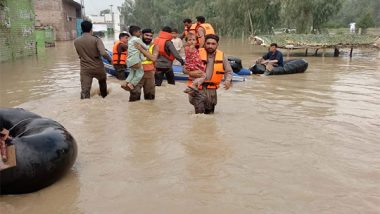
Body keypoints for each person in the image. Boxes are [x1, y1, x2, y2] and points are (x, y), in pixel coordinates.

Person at [184, 34, 232, 114]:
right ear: (204, 43)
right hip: (197, 88)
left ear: (217, 45)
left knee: (210, 114)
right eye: (208, 43)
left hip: (212, 90)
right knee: (200, 114)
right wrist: (192, 73)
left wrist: (228, 80)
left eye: (213, 44)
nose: (210, 46)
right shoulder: (196, 52)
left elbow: (228, 71)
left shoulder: (222, 56)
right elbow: (184, 69)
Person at [74, 20, 112, 99]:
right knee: (102, 83)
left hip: (85, 68)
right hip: (98, 67)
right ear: (91, 29)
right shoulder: (96, 39)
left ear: (82, 29)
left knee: (85, 90)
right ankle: (104, 99)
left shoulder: (76, 41)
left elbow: (79, 55)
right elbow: (103, 53)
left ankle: (84, 106)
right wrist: (110, 60)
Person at [129, 28, 159, 102]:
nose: (149, 37)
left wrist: (141, 49)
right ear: (142, 35)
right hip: (136, 73)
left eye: (151, 36)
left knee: (150, 99)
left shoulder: (154, 46)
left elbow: (153, 58)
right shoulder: (134, 43)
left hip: (149, 74)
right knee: (134, 97)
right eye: (147, 35)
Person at [121, 25, 149, 91]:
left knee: (132, 72)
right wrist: (150, 45)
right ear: (135, 32)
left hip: (129, 61)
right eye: (139, 32)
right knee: (140, 72)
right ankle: (132, 84)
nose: (140, 33)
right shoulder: (137, 39)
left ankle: (125, 83)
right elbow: (146, 47)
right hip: (135, 60)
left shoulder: (130, 40)